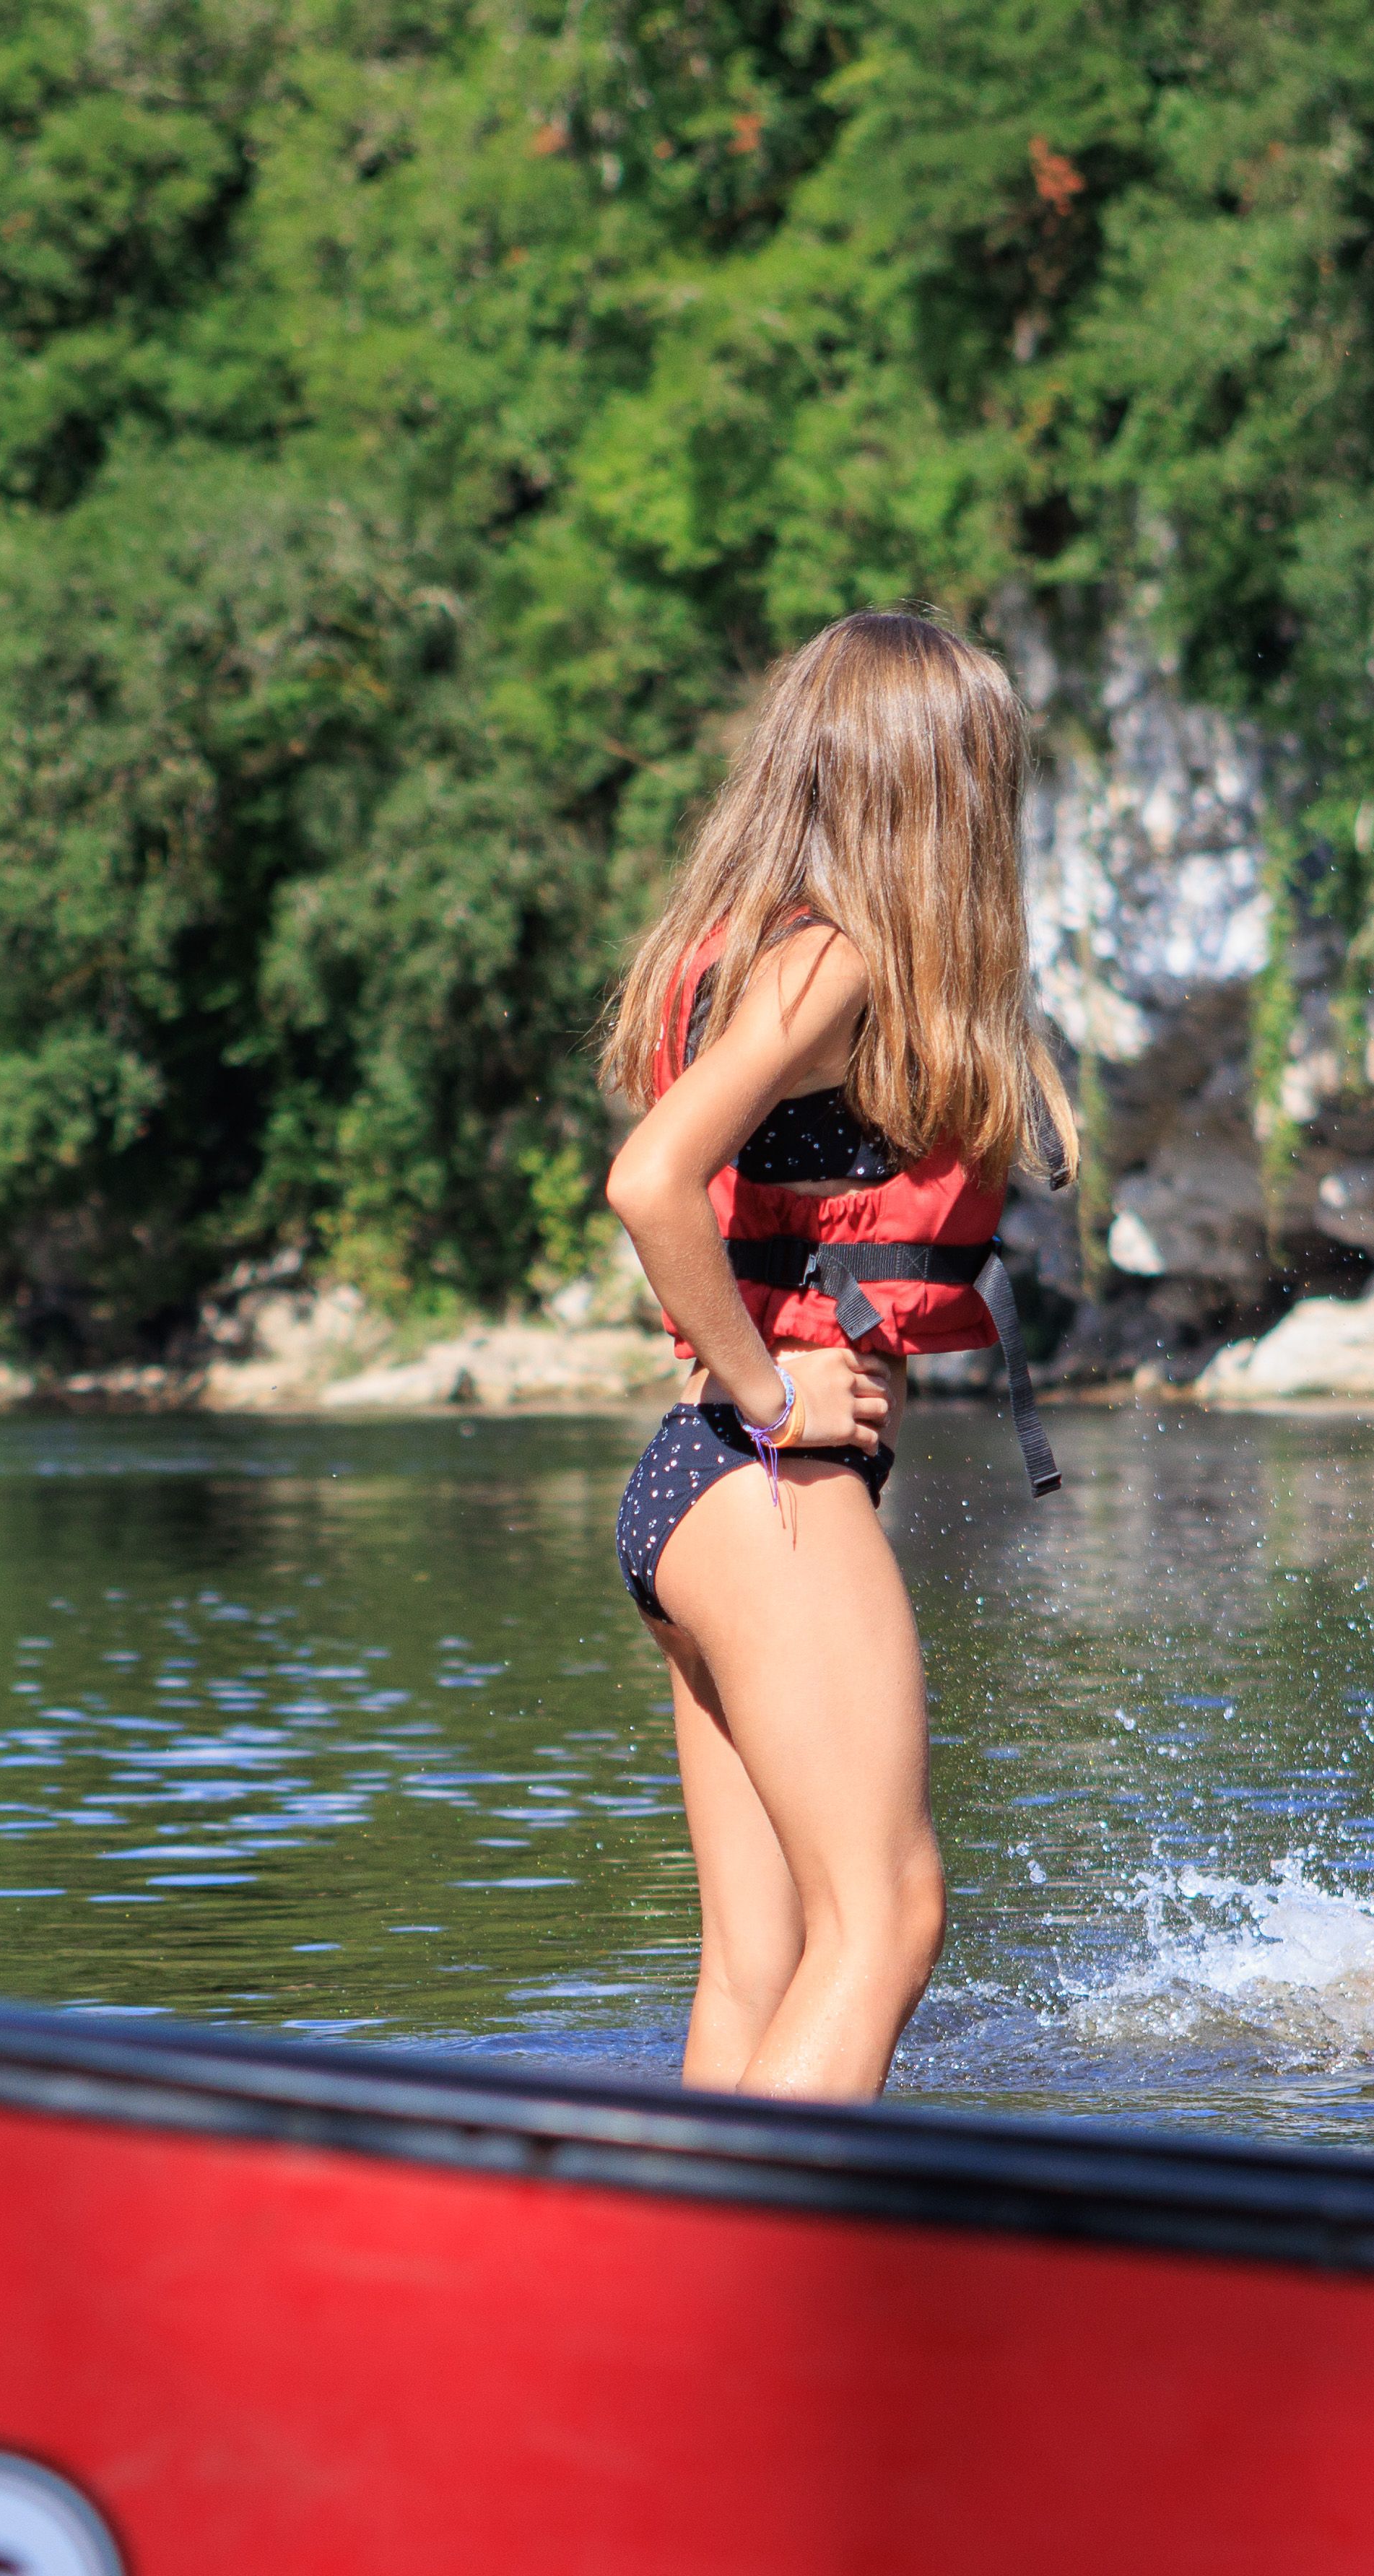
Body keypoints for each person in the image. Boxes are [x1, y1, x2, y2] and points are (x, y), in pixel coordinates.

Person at [598, 611, 1076, 2102]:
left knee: (763, 1956)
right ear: (936, 785)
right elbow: (650, 1178)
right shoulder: (836, 961)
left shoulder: (753, 951)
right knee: (885, 1922)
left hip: (693, 1498)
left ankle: (677, 2280)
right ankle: (775, 2280)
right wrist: (771, 1386)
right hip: (767, 1477)